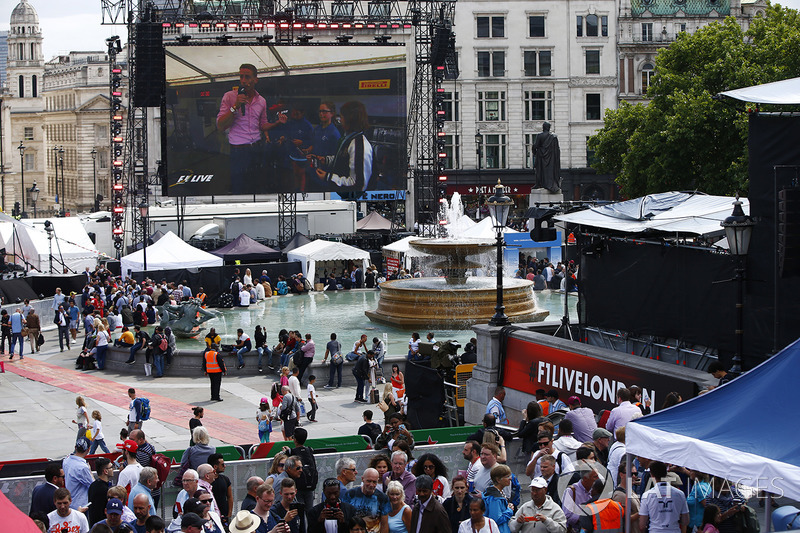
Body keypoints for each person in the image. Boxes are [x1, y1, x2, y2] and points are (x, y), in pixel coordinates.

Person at [216, 63, 287, 194]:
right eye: (241, 76)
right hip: (239, 151)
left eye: (247, 77)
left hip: (257, 148)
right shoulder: (229, 97)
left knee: (256, 184)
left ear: (255, 79)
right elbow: (220, 125)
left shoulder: (262, 101)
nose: (243, 81)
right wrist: (235, 106)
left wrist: (277, 122)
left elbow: (262, 125)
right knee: (239, 187)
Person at [311, 100, 373, 191]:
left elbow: (358, 185)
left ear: (350, 119)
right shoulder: (348, 138)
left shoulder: (359, 145)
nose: (340, 120)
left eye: (342, 117)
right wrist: (326, 160)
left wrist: (328, 177)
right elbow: (342, 159)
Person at [639, 461, 689, 533]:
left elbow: (642, 525)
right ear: (666, 473)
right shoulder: (680, 494)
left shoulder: (647, 495)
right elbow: (685, 521)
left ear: (652, 475)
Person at [341, 468, 391, 533]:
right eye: (369, 481)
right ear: (362, 479)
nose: (371, 485)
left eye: (374, 482)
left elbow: (384, 525)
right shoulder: (350, 495)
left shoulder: (383, 498)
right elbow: (344, 520)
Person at [64, 437, 94, 510]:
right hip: (81, 506)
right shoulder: (82, 467)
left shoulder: (66, 460)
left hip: (70, 503)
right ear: (88, 450)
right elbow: (93, 485)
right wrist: (90, 471)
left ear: (75, 447)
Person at [482, 465, 514, 533]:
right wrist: (509, 510)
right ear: (498, 480)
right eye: (507, 476)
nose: (510, 478)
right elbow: (495, 520)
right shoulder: (494, 498)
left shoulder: (499, 493)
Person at [533, 122, 561, 193]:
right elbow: (557, 149)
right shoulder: (554, 137)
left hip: (541, 157)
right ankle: (552, 184)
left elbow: (535, 146)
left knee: (540, 171)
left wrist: (535, 153)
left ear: (543, 127)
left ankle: (539, 183)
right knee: (550, 171)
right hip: (551, 159)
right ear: (549, 128)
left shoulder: (540, 136)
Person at [87, 458, 114, 526]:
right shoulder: (104, 489)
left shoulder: (93, 485)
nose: (113, 469)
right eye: (111, 467)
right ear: (105, 471)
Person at [209, 454, 233, 528]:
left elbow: (229, 497)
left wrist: (229, 515)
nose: (224, 466)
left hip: (224, 516)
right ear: (215, 467)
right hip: (212, 516)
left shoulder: (225, 479)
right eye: (222, 465)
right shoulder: (207, 482)